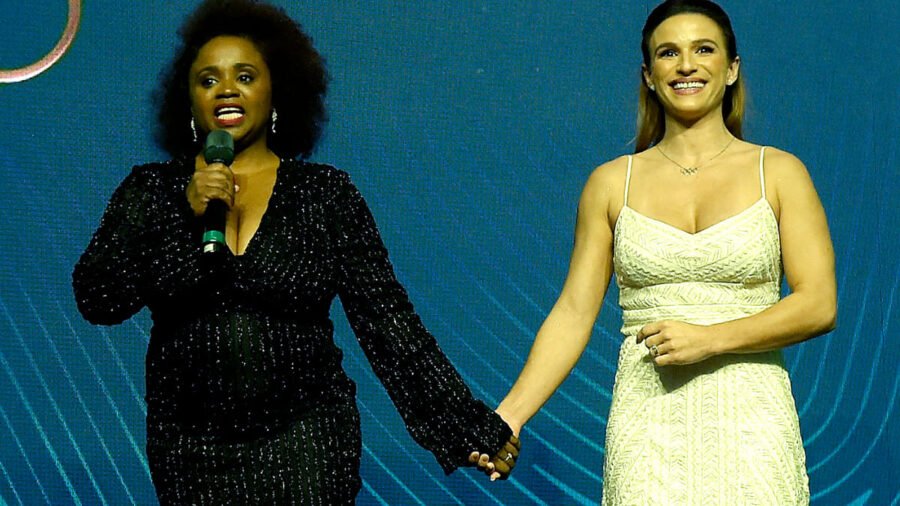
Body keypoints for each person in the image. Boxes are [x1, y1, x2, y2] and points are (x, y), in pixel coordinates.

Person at [72, 0, 518, 503]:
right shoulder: (152, 192)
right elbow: (98, 298)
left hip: (308, 441)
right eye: (208, 80)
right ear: (189, 101)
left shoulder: (325, 195)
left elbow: (388, 323)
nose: (226, 90)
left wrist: (464, 426)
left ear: (276, 91)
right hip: (190, 451)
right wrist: (181, 217)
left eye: (244, 76)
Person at [491, 0, 836, 503]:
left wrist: (711, 339)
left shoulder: (780, 173)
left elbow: (818, 304)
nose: (687, 65)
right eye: (669, 53)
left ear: (732, 69)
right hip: (647, 430)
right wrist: (509, 417)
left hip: (752, 427)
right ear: (649, 76)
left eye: (704, 49)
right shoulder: (611, 183)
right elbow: (574, 313)